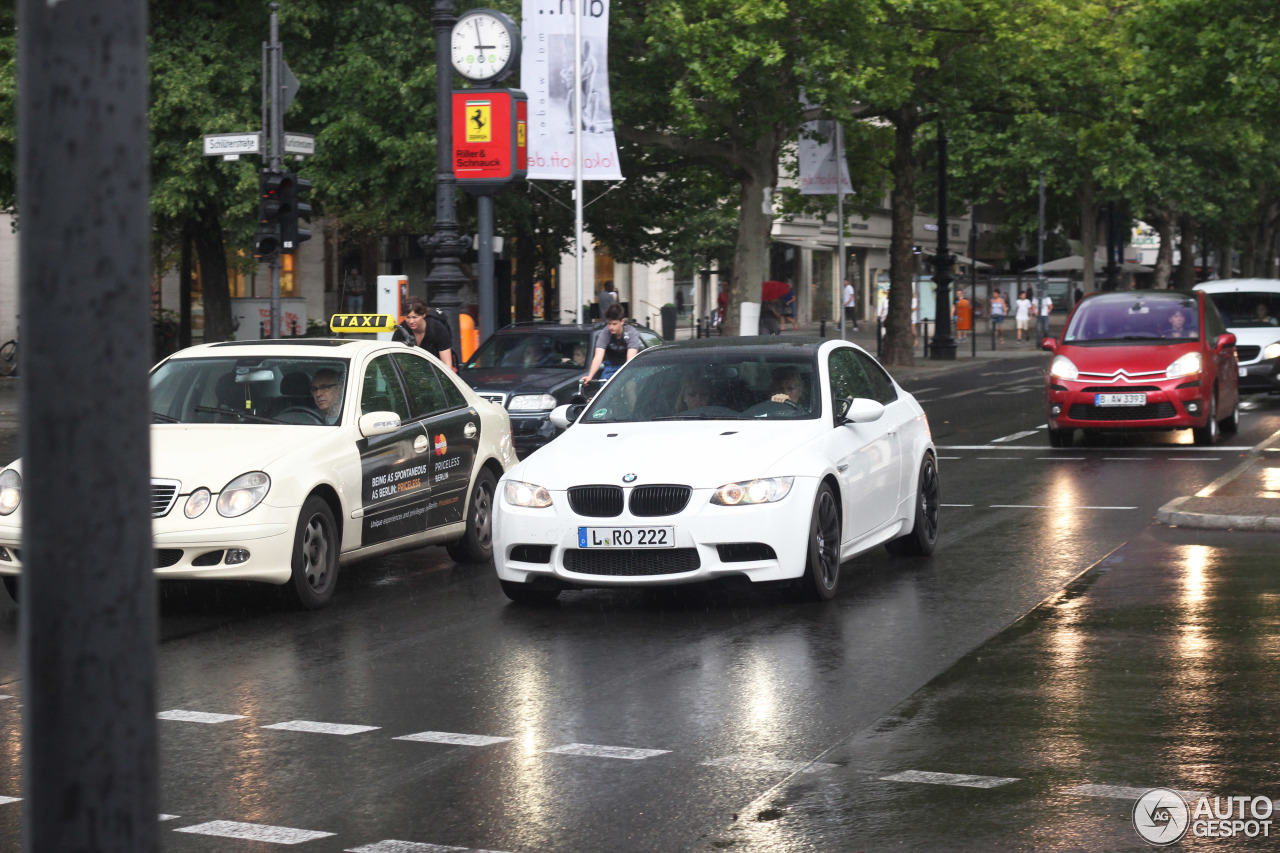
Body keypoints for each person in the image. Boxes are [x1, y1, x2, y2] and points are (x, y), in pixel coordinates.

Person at [584, 303, 641, 384]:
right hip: (611, 366)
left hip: (627, 366)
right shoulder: (605, 333)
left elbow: (630, 359)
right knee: (605, 386)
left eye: (614, 324)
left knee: (630, 385)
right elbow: (598, 357)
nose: (611, 327)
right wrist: (590, 376)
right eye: (609, 324)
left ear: (622, 322)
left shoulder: (631, 332)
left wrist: (625, 376)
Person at [397, 298, 453, 369]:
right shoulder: (402, 329)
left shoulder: (437, 329)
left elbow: (447, 365)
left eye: (415, 317)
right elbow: (397, 359)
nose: (411, 321)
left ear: (423, 315)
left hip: (436, 371)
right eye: (408, 317)